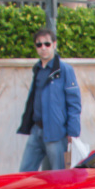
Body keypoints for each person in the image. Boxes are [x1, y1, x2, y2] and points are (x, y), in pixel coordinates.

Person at [18, 27, 82, 172]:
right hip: (37, 131)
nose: (43, 48)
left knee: (57, 176)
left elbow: (74, 103)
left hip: (56, 133)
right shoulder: (38, 69)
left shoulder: (65, 70)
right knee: (25, 173)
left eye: (47, 44)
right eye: (39, 44)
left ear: (54, 44)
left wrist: (73, 132)